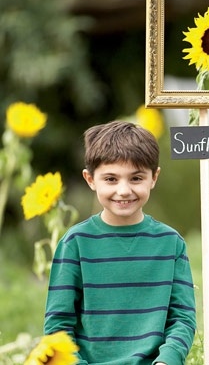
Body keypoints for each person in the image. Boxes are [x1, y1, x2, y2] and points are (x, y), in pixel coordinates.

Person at [44, 120, 196, 365]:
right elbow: (58, 325)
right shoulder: (75, 243)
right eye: (111, 179)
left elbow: (182, 318)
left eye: (136, 178)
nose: (124, 190)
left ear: (154, 177)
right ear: (90, 179)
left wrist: (167, 361)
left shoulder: (171, 243)